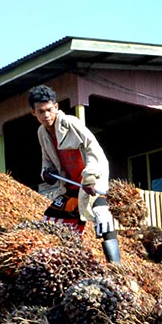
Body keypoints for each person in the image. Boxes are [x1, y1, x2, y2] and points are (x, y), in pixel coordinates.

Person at [30, 84, 121, 263]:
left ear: (56, 107)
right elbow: (46, 159)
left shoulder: (70, 123)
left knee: (102, 218)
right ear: (34, 113)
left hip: (92, 181)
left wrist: (90, 177)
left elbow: (93, 148)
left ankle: (116, 267)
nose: (46, 115)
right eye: (40, 111)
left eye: (49, 109)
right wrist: (46, 173)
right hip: (70, 185)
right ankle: (68, 261)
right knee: (50, 222)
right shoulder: (42, 132)